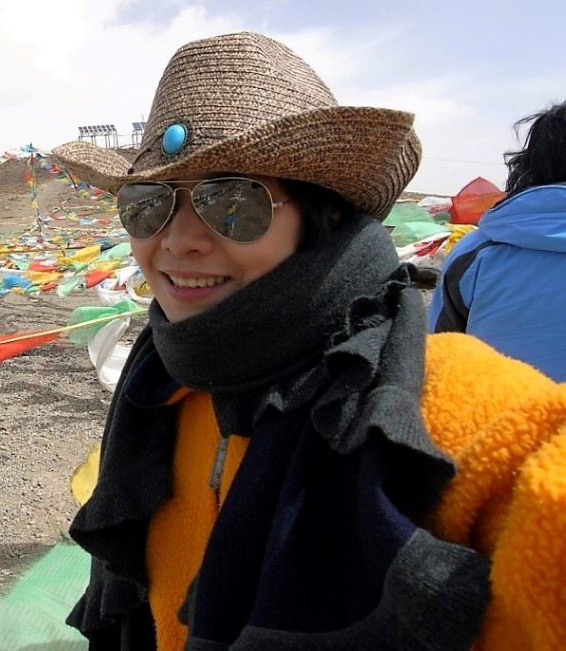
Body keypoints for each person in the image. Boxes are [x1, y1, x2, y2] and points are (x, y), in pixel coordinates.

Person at [52, 32, 566, 650]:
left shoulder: (446, 401)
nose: (178, 239)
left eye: (231, 201)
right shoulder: (160, 390)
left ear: (323, 216)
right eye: (147, 204)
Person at [429, 101, 566, 380]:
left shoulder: (475, 252)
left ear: (530, 164)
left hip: (502, 419)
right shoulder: (476, 250)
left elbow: (436, 358)